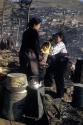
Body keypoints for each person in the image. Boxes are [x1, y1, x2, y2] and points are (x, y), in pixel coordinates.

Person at [44, 32, 69, 98]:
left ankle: (60, 95)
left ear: (61, 39)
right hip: (57, 61)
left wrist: (46, 55)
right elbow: (49, 50)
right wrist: (48, 44)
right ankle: (49, 86)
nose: (55, 38)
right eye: (55, 37)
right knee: (52, 73)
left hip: (63, 62)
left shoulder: (61, 44)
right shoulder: (54, 43)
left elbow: (52, 53)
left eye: (57, 37)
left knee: (59, 77)